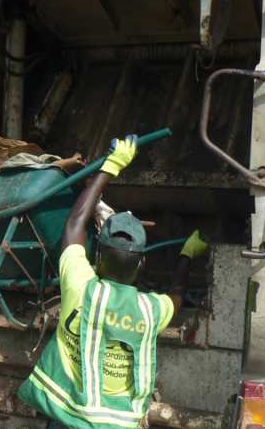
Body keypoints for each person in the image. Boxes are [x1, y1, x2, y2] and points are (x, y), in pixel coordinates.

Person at [18, 136, 209, 429]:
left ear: (96, 253)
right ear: (142, 263)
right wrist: (186, 255)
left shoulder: (78, 285)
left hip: (66, 416)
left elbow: (75, 224)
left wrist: (111, 166)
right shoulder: (151, 311)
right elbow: (177, 296)